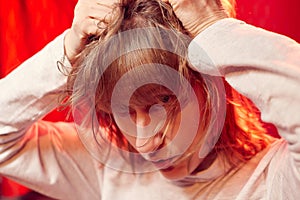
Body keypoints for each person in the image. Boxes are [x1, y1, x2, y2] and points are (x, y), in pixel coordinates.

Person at [0, 0, 299, 199]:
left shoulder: (275, 178)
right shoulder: (111, 170)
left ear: (209, 80)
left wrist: (215, 32)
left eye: (163, 100)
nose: (144, 143)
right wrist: (68, 49)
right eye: (123, 109)